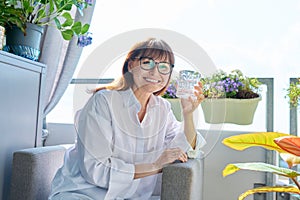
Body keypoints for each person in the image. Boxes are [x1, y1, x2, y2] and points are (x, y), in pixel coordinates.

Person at [48, 38, 206, 200]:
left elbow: (185, 149)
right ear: (130, 65)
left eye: (163, 66)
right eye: (147, 63)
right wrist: (155, 166)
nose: (155, 72)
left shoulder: (162, 109)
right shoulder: (104, 102)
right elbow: (94, 169)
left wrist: (188, 114)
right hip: (82, 193)